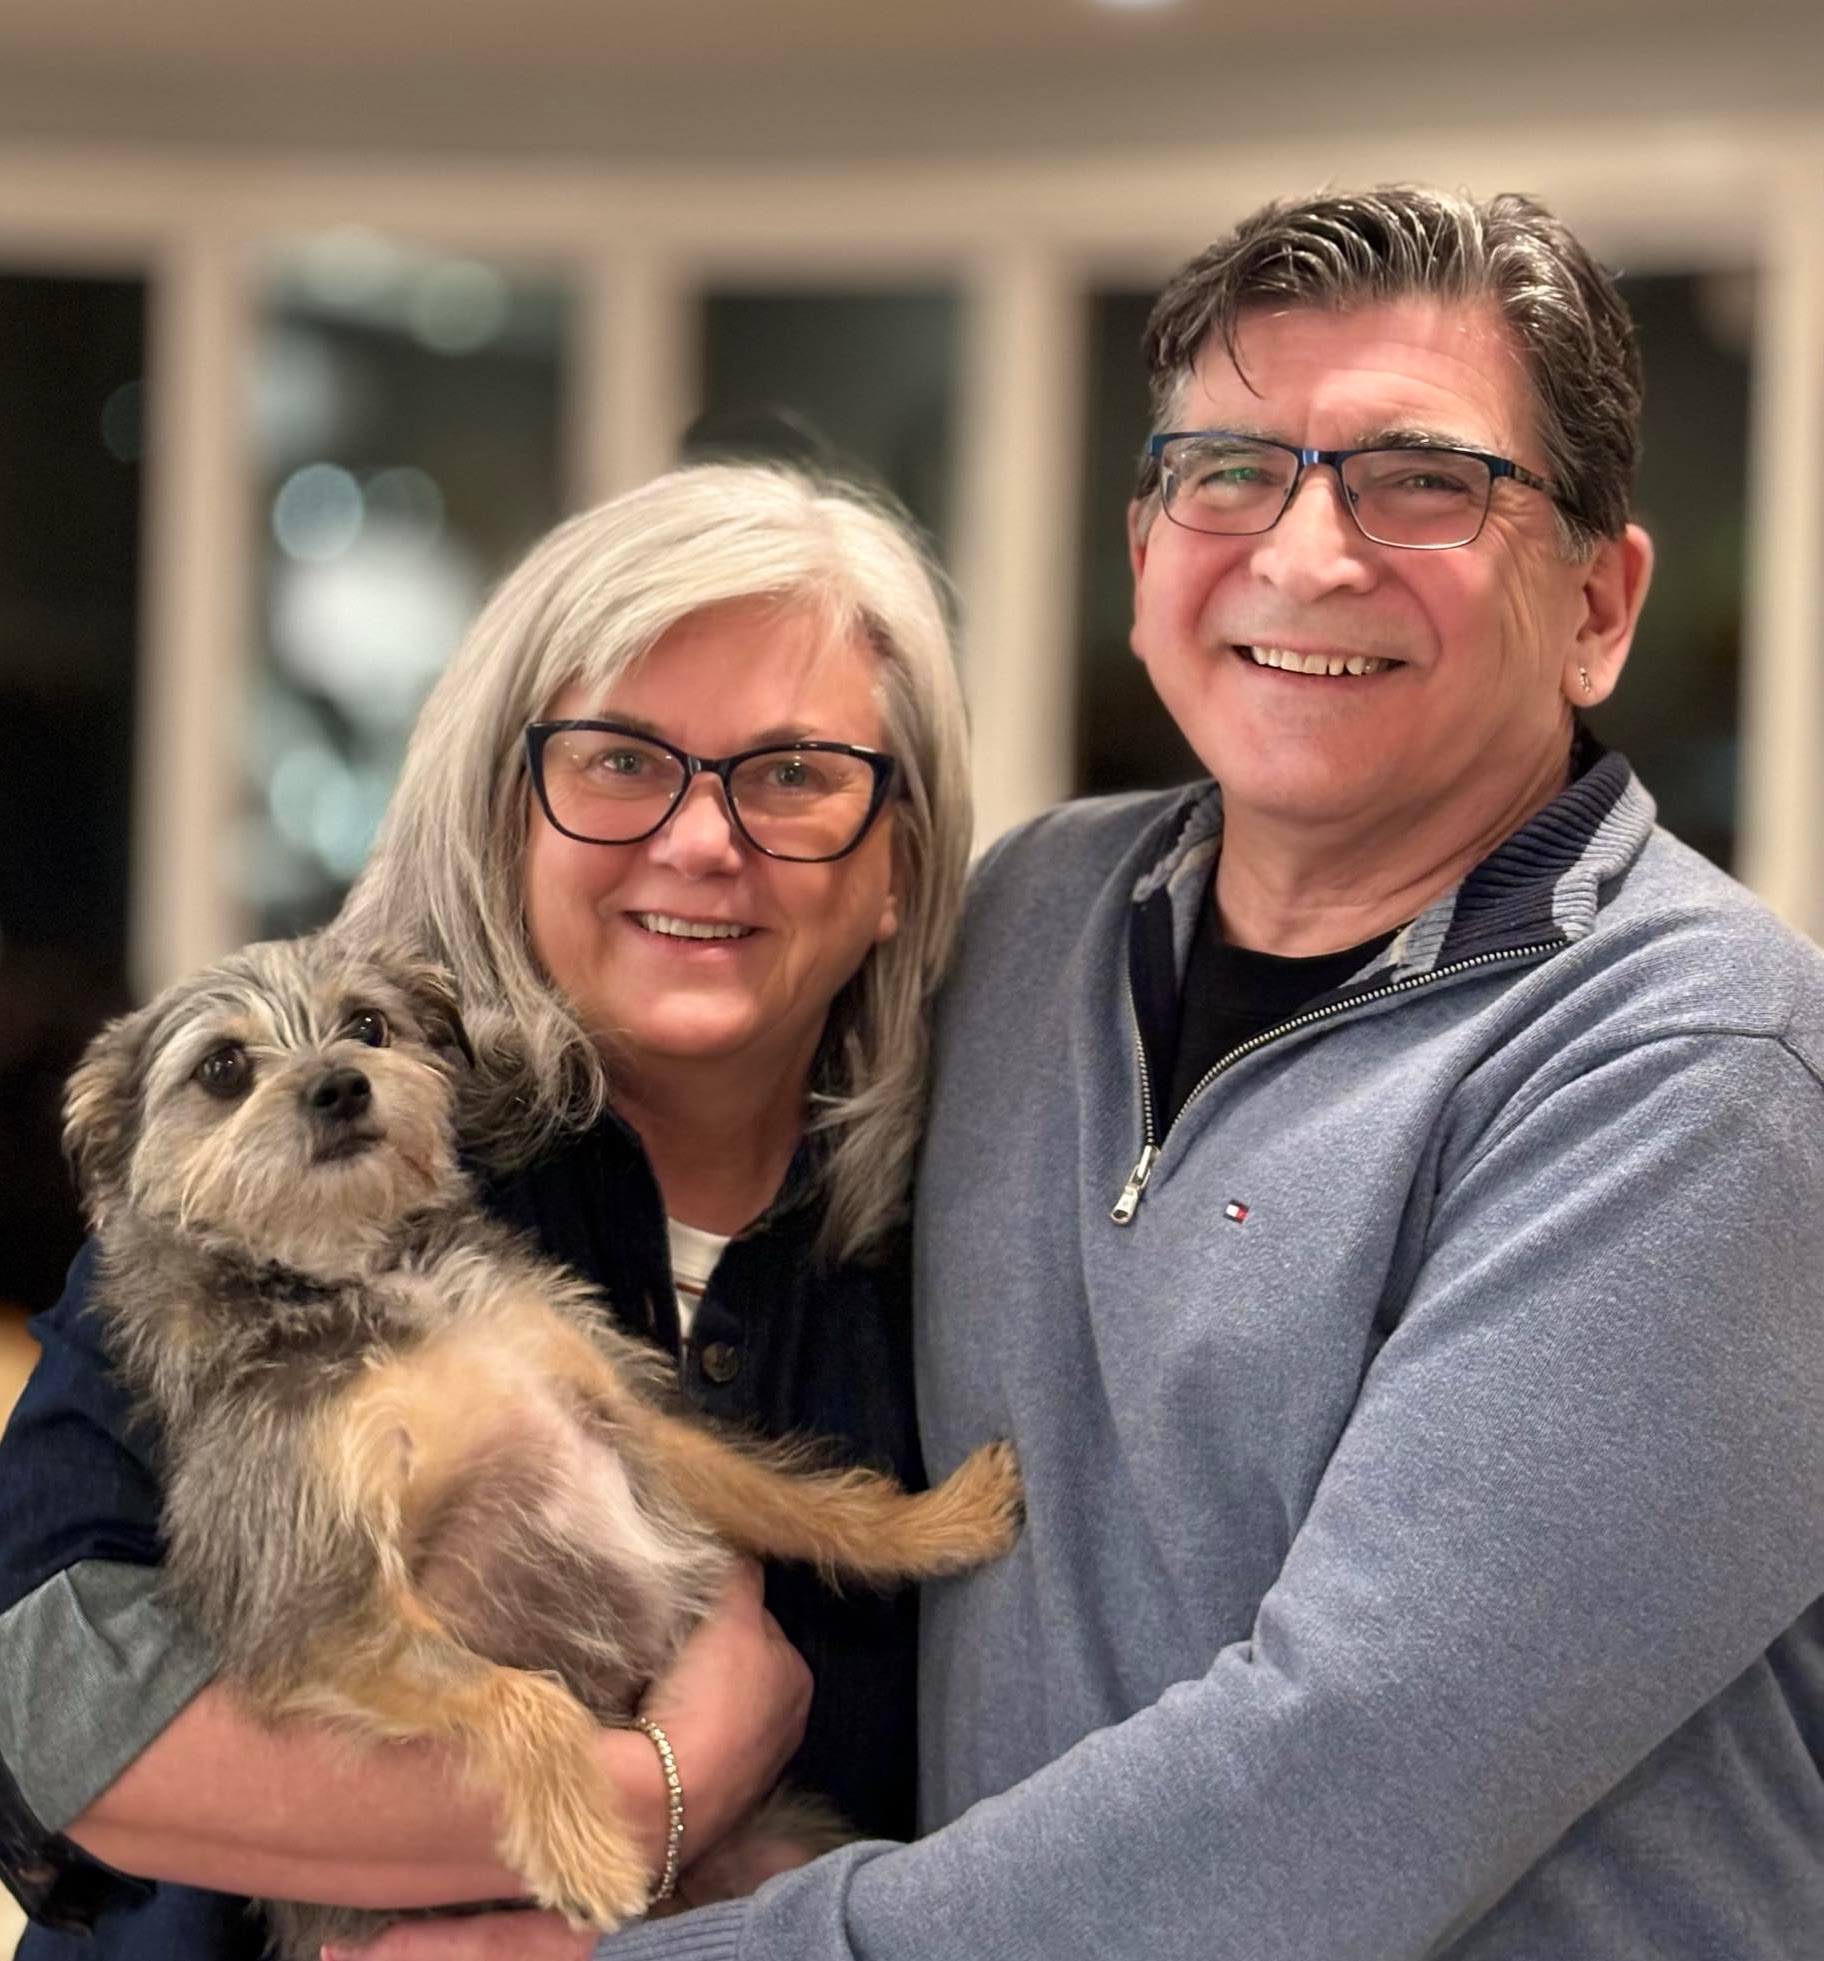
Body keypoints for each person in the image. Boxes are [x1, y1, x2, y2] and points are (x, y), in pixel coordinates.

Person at [351, 185, 1824, 1961]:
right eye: (1230, 470)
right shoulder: (1032, 929)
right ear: (1145, 550)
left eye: (1421, 479)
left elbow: (1342, 1792)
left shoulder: (1696, 1072)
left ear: (1598, 599)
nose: (1302, 554)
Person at [0, 462, 975, 1955]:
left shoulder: (963, 1239)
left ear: (897, 858)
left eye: (791, 772)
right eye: (621, 759)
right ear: (507, 808)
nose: (703, 839)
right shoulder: (309, 1195)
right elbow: (43, 1707)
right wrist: (661, 1784)